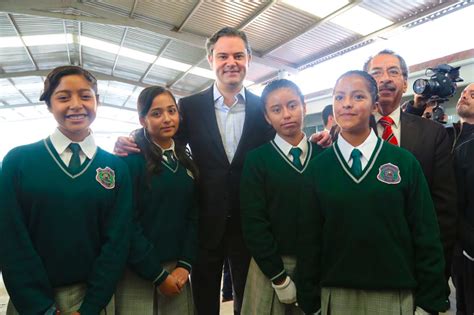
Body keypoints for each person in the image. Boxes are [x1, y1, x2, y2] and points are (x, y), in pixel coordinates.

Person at [113, 27, 331, 315]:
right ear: (210, 59)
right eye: (223, 55)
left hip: (250, 224)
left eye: (239, 55)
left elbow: (284, 141)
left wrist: (317, 138)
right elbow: (166, 139)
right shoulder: (190, 106)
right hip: (204, 222)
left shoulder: (262, 108)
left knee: (247, 299)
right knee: (204, 302)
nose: (232, 62)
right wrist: (133, 138)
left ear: (249, 59)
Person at [297, 70, 448, 315]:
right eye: (338, 97)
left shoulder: (404, 163)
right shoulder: (318, 168)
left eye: (358, 97)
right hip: (336, 296)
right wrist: (310, 301)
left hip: (395, 295)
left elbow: (426, 234)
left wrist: (429, 301)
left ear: (375, 105)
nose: (346, 104)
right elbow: (308, 240)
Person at [0, 65, 132, 315]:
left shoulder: (116, 168)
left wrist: (92, 306)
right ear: (49, 105)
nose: (76, 105)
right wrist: (40, 307)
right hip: (30, 302)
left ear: (97, 101)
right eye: (63, 97)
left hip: (93, 301)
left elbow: (117, 242)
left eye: (85, 96)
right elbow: (10, 238)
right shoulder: (18, 162)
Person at [363, 49, 457, 286]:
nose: (385, 78)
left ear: (405, 84)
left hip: (413, 264)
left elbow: (443, 209)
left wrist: (435, 273)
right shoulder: (345, 134)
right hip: (358, 263)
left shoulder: (433, 134)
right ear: (366, 84)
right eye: (376, 73)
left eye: (393, 72)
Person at [240, 79, 323, 315]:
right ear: (267, 117)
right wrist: (278, 277)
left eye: (292, 105)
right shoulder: (257, 160)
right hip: (271, 265)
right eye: (276, 110)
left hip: (316, 264)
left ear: (304, 107)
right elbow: (253, 221)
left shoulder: (323, 156)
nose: (286, 115)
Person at [115, 86, 198, 314]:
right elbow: (127, 224)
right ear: (143, 120)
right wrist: (157, 274)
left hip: (178, 272)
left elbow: (193, 216)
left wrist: (185, 264)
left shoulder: (185, 160)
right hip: (138, 271)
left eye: (172, 111)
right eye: (156, 113)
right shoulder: (130, 162)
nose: (167, 119)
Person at [451, 83, 474, 315]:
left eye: (473, 95)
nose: (464, 96)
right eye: (463, 93)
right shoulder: (448, 134)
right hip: (456, 244)